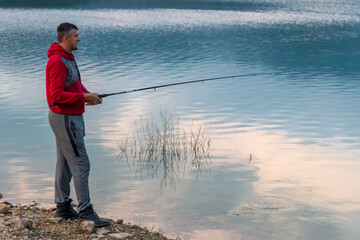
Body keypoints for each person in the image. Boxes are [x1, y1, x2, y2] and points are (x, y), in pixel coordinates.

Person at [46, 22, 110, 227]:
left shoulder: (67, 58)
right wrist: (83, 96)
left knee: (65, 161)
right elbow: (55, 96)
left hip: (69, 117)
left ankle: (63, 207)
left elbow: (74, 84)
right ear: (65, 38)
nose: (79, 39)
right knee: (81, 163)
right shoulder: (57, 61)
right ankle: (86, 211)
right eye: (76, 36)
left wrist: (89, 95)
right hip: (65, 118)